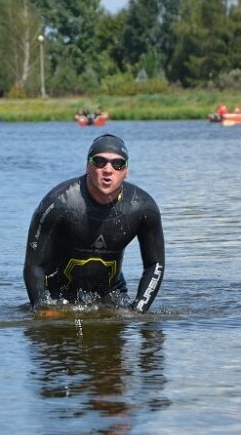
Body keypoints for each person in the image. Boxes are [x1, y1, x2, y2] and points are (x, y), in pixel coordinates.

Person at [23, 134, 165, 314]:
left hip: (111, 296)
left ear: (126, 171)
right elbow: (34, 265)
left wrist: (138, 310)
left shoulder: (143, 208)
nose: (108, 169)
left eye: (117, 164)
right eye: (99, 162)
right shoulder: (58, 204)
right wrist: (43, 308)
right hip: (58, 296)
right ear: (87, 166)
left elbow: (155, 264)